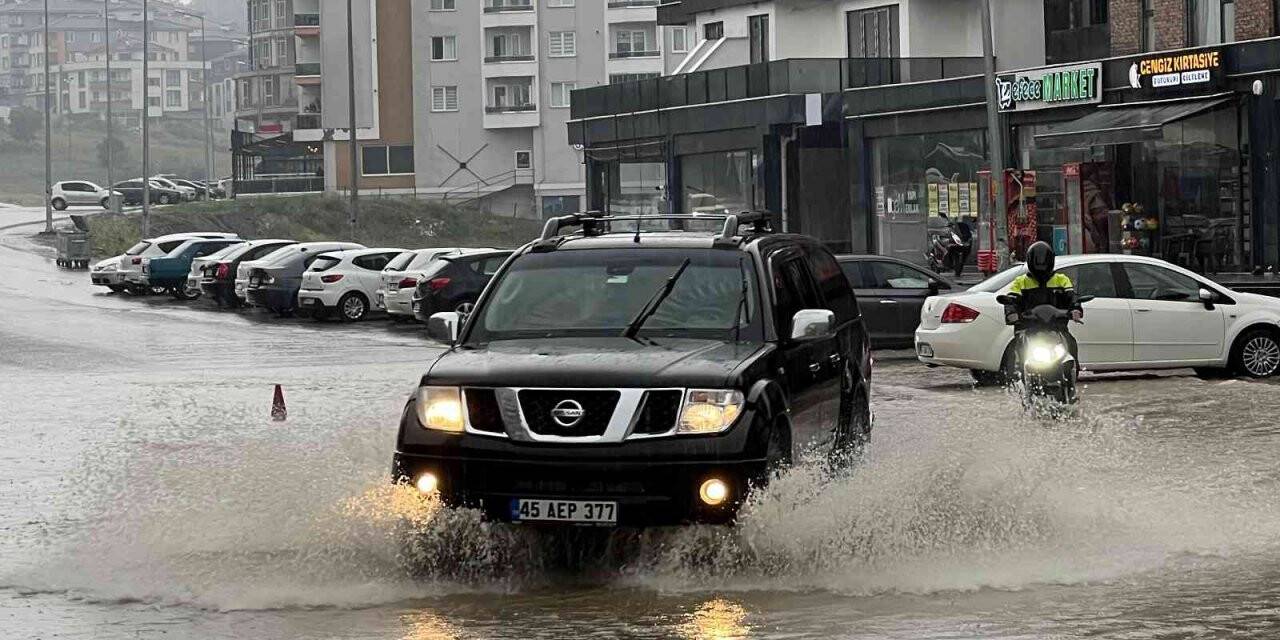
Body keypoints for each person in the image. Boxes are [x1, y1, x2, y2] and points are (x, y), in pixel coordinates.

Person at [1003, 241, 1083, 359]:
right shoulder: (1020, 282)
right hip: (1028, 327)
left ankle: (1072, 371)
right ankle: (1014, 372)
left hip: (1056, 327)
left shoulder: (1062, 280)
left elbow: (1072, 296)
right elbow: (1011, 299)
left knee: (1070, 342)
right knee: (1015, 348)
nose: (1041, 266)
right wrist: (1011, 313)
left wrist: (1076, 309)